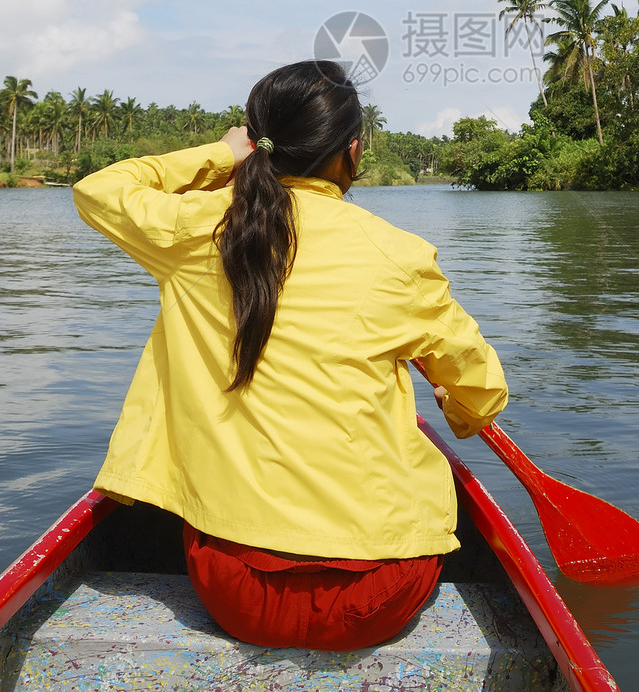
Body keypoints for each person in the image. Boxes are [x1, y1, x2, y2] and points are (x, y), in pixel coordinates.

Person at [73, 60, 507, 651]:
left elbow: (97, 190)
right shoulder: (399, 255)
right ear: (352, 151)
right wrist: (456, 406)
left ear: (258, 144)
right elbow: (482, 393)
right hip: (377, 595)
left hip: (236, 593)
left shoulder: (194, 230)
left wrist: (222, 155)